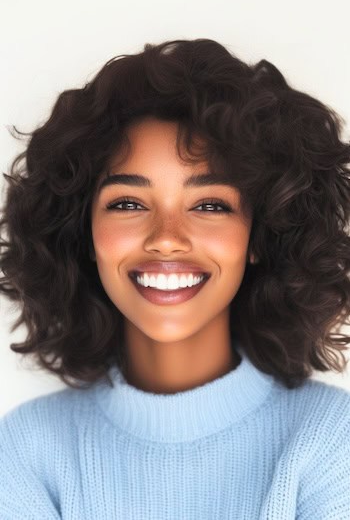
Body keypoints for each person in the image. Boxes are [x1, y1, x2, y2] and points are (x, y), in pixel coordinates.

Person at [0, 38, 350, 519]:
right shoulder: (26, 451)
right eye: (127, 203)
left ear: (260, 237)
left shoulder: (333, 438)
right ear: (84, 233)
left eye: (210, 205)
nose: (167, 239)